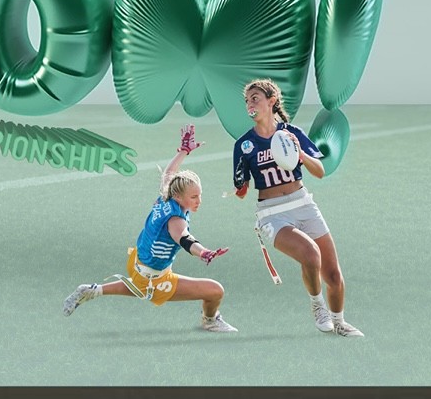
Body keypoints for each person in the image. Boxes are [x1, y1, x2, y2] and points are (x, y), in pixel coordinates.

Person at [64, 125, 235, 332]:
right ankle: (210, 320)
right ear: (179, 197)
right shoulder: (176, 219)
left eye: (200, 195)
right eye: (193, 197)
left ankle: (93, 290)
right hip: (154, 276)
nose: (199, 201)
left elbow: (169, 173)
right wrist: (204, 252)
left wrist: (184, 150)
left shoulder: (166, 196)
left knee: (140, 286)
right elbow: (184, 238)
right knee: (215, 291)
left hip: (138, 261)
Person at [233, 78, 361, 337]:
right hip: (272, 213)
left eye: (255, 98)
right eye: (246, 101)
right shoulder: (244, 144)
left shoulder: (292, 134)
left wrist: (300, 155)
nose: (249, 104)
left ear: (271, 101)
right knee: (311, 255)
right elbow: (242, 190)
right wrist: (240, 187)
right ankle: (317, 305)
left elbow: (320, 171)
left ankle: (340, 322)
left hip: (303, 203)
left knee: (333, 275)